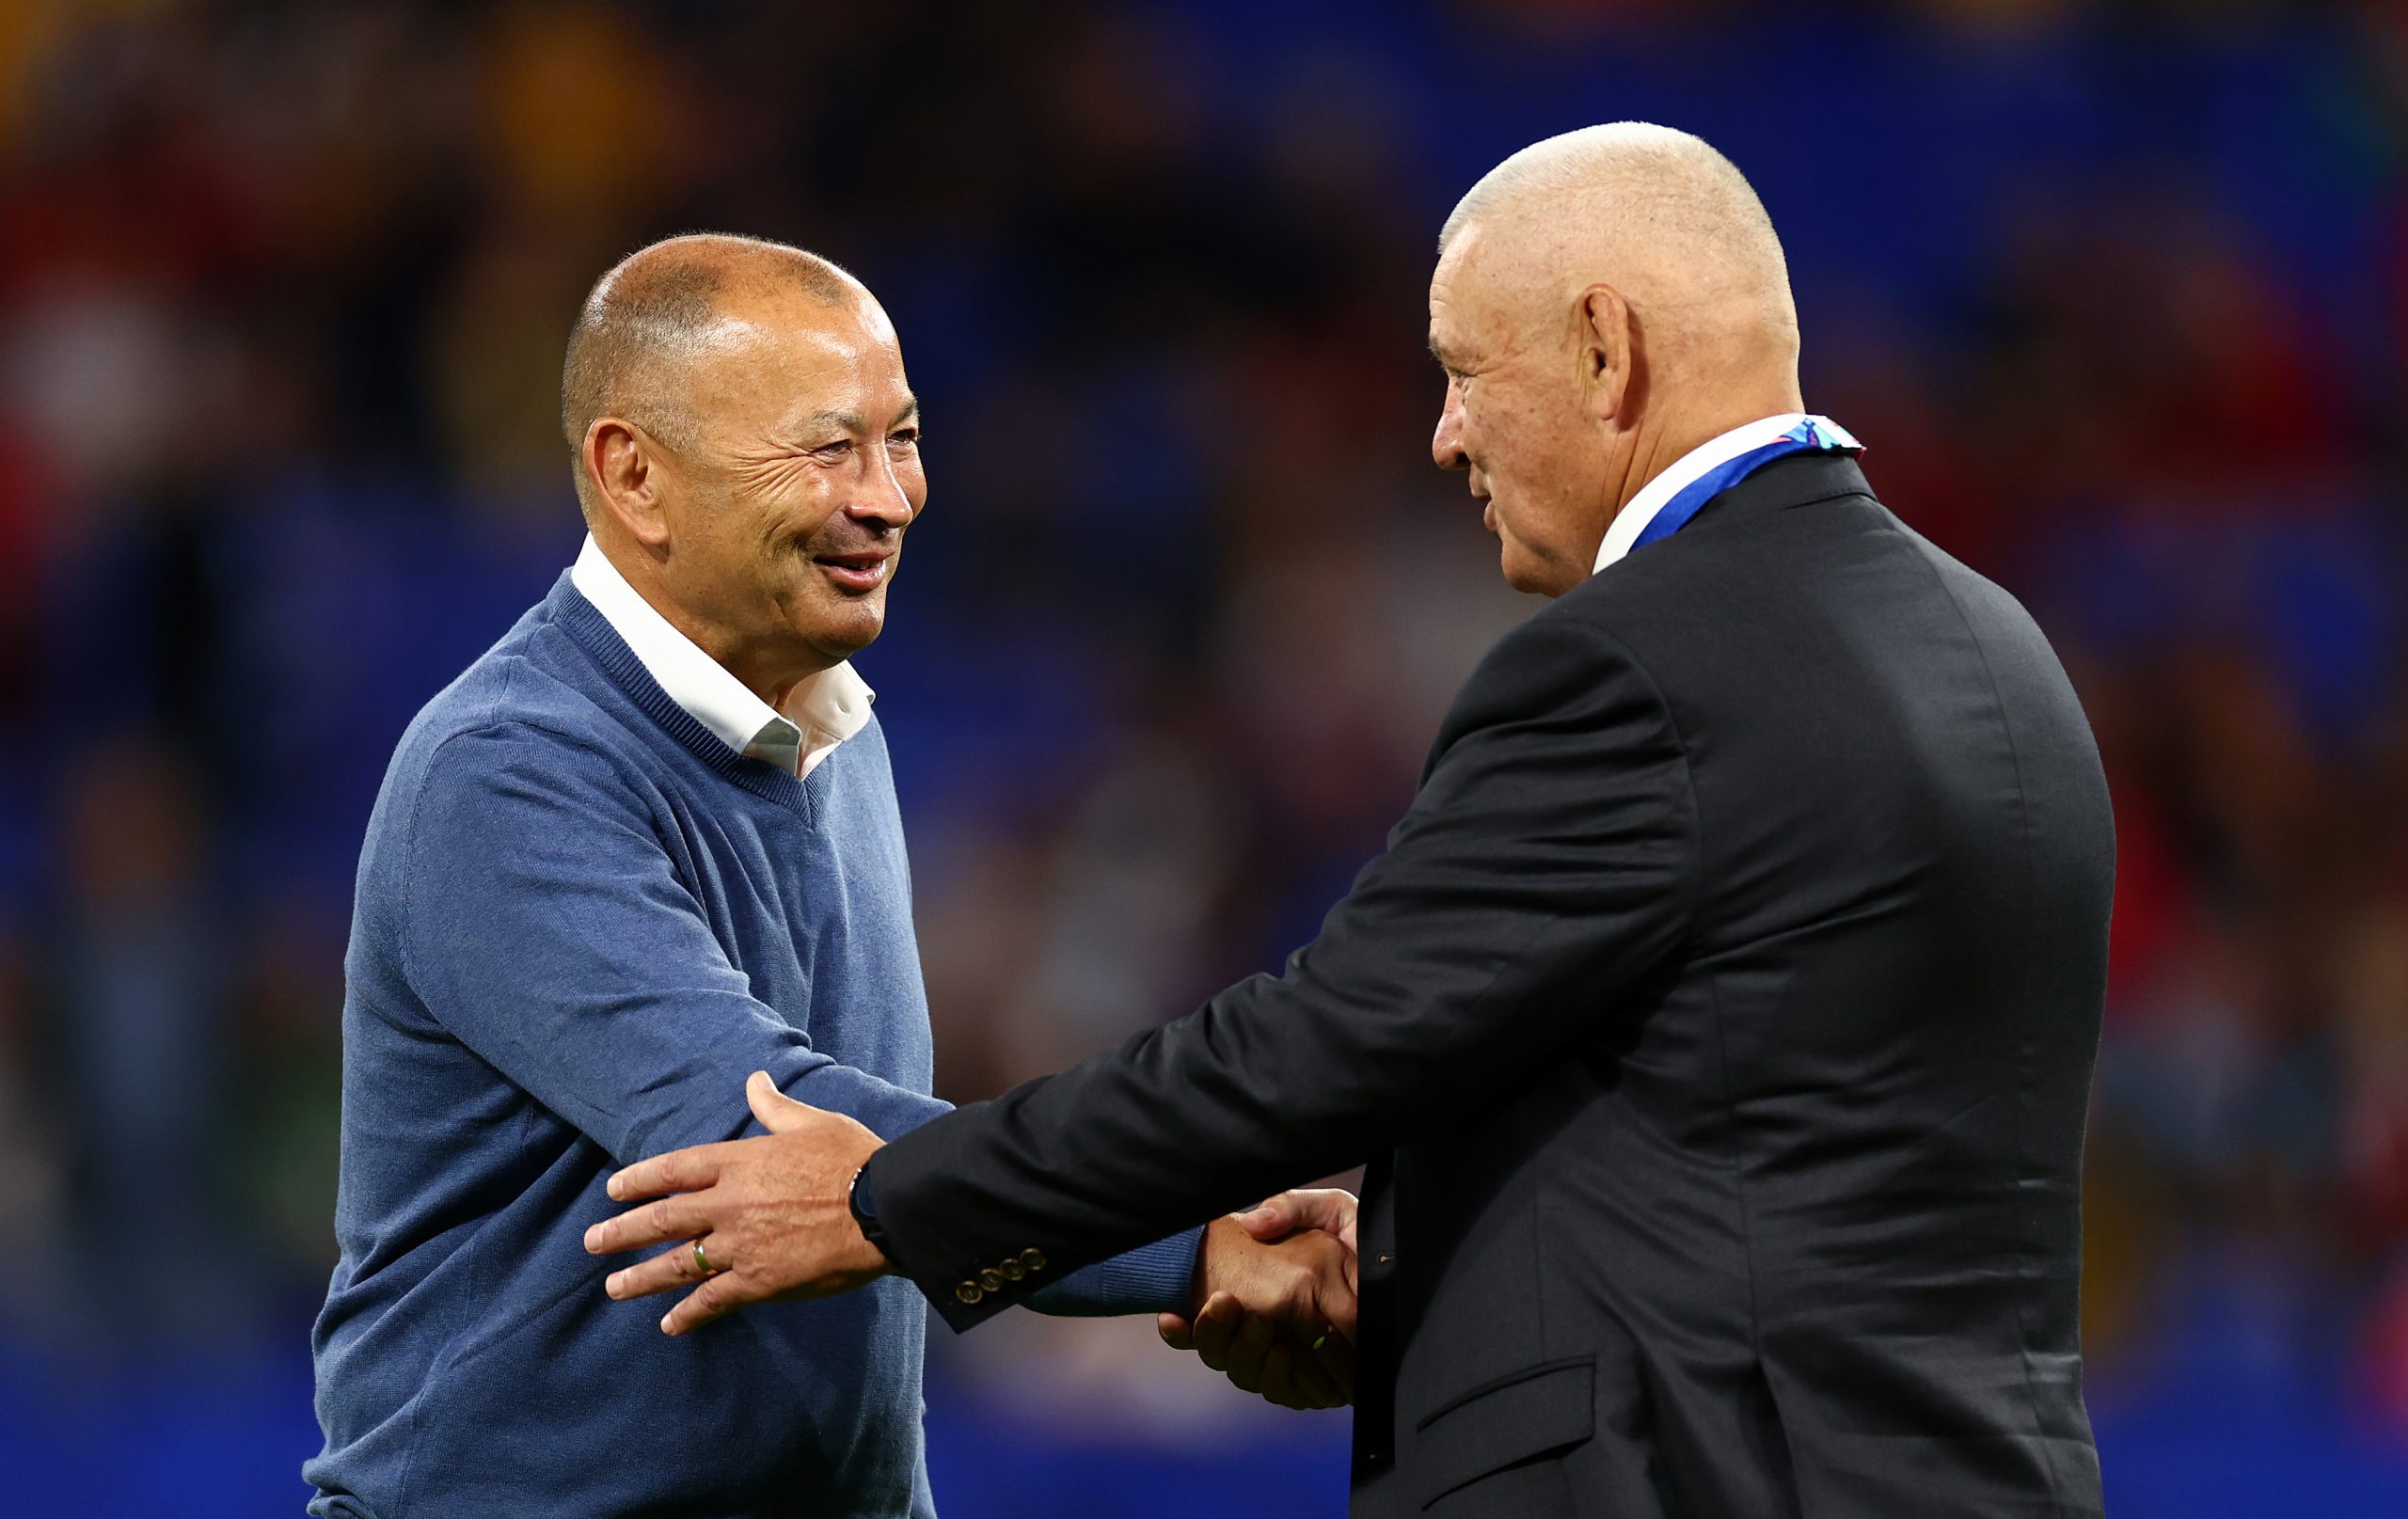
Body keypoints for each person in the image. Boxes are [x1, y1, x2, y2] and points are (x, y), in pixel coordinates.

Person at [589, 125, 2115, 1519]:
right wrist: (1391, 1262)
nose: (1445, 436)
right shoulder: (1999, 652)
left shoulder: (1645, 663)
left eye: (1465, 369)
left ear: (1603, 352)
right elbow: (1745, 1147)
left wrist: (887, 1200)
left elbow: (1316, 1049)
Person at [306, 233, 1356, 1519]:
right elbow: (769, 1136)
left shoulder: (836, 727)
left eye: (902, 439)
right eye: (827, 450)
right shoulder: (507, 772)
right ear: (634, 475)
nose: (890, 497)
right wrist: (1185, 1245)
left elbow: (858, 1247)